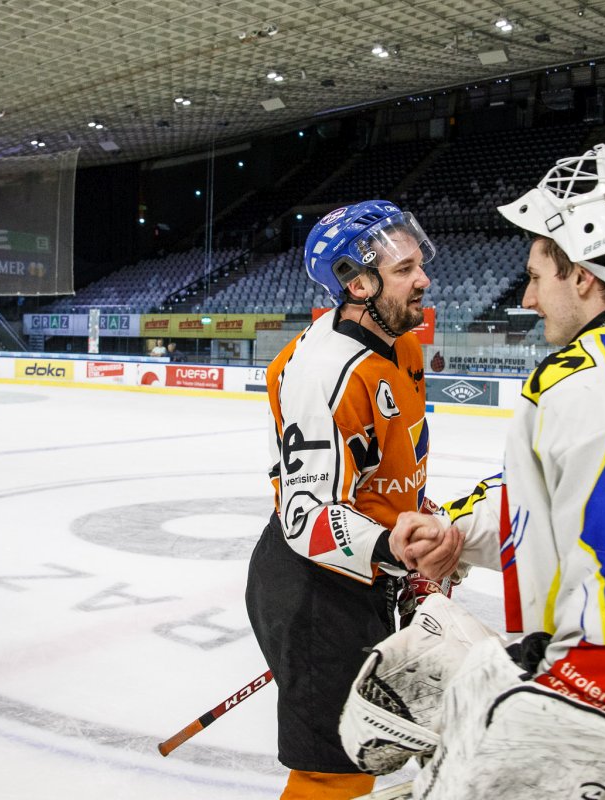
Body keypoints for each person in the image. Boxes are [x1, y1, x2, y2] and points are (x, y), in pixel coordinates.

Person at [341, 144, 605, 799]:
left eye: (538, 274)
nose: (528, 296)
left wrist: (532, 742)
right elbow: (561, 508)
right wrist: (454, 530)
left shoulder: (601, 386)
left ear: (585, 277)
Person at [245, 200, 462, 800]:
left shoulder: (404, 343)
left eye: (419, 264)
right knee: (333, 774)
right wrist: (394, 546)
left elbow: (392, 470)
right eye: (404, 270)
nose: (423, 279)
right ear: (358, 284)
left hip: (369, 570)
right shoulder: (324, 372)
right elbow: (305, 517)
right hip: (316, 586)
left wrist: (416, 533)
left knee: (372, 756)